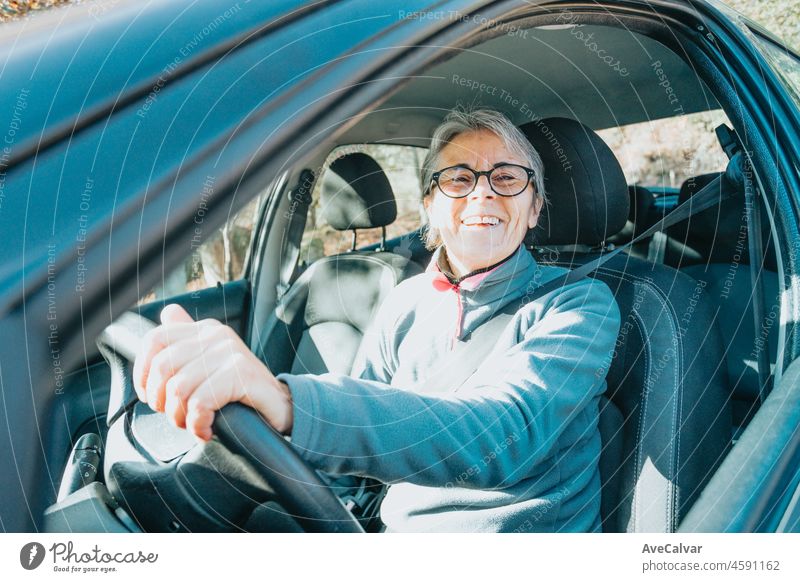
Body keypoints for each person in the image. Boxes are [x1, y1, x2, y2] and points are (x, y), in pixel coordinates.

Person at [133, 107, 622, 533]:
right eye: (458, 178)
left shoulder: (579, 305)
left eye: (508, 178)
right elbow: (351, 465)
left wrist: (287, 402)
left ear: (534, 207)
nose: (482, 194)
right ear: (430, 206)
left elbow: (500, 435)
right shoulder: (405, 301)